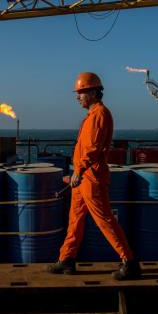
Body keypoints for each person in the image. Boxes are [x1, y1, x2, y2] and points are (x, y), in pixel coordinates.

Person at [47, 72, 141, 280]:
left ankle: (130, 262)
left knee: (105, 220)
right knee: (75, 220)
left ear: (92, 92)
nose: (77, 97)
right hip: (82, 177)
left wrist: (78, 171)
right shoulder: (92, 116)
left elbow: (92, 149)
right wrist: (76, 173)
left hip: (91, 177)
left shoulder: (99, 115)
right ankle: (67, 259)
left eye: (80, 93)